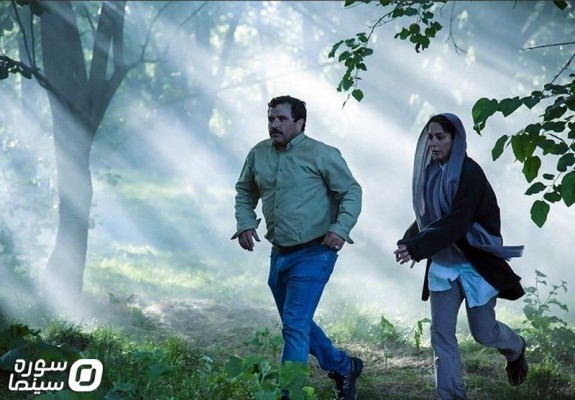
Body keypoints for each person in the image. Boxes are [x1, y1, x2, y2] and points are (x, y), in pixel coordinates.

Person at [232, 95, 363, 400]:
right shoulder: (258, 154)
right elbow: (245, 191)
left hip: (316, 252)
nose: (274, 124)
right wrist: (245, 222)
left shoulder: (322, 154)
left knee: (294, 326)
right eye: (271, 119)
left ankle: (288, 395)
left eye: (281, 119)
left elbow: (351, 191)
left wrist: (340, 228)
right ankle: (344, 366)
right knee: (298, 323)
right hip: (279, 254)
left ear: (300, 122)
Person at [394, 113, 529, 399]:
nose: (433, 143)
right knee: (441, 335)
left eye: (440, 137)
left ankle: (516, 347)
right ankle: (450, 396)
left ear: (455, 139)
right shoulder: (431, 173)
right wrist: (408, 240)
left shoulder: (470, 173)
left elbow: (457, 222)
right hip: (443, 266)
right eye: (430, 137)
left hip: (475, 265)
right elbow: (428, 216)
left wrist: (417, 247)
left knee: (484, 333)